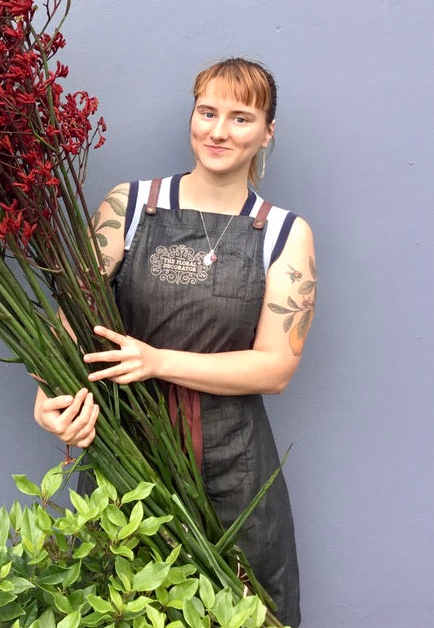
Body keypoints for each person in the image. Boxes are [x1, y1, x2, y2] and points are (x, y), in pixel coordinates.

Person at [34, 58, 314, 626]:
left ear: (268, 132)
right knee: (115, 607)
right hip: (126, 449)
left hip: (235, 464)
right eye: (207, 111)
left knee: (244, 610)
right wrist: (48, 398)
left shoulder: (286, 233)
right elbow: (70, 326)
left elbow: (275, 368)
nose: (218, 130)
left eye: (241, 117)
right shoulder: (128, 207)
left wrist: (157, 360)